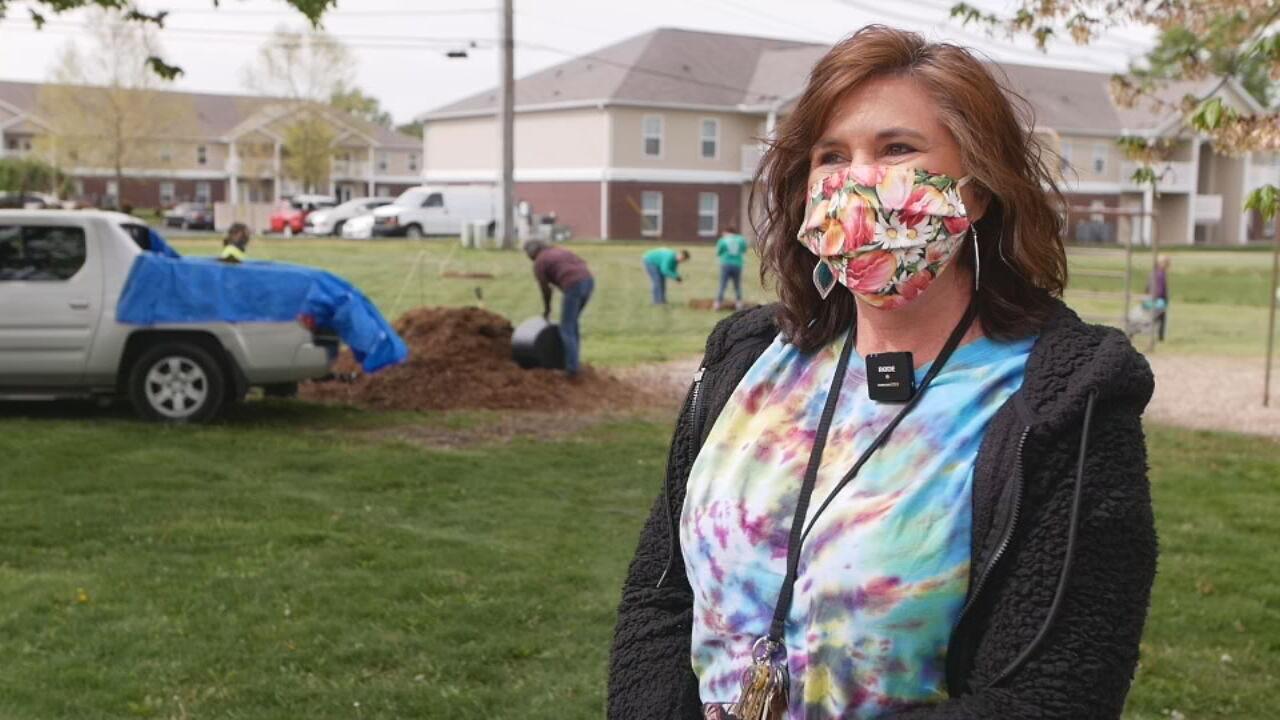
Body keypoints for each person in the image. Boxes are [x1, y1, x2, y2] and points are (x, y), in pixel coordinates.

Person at [609, 25, 1156, 720]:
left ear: (978, 188)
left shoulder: (1065, 400)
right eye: (831, 156)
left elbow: (1056, 693)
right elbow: (659, 592)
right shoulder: (746, 361)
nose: (858, 180)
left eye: (897, 148)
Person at [525, 240, 595, 377]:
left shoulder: (539, 262)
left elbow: (545, 289)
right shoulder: (559, 250)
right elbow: (581, 263)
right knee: (572, 324)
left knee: (566, 327)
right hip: (589, 281)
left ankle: (572, 369)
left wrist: (547, 309)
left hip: (573, 285)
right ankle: (574, 362)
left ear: (532, 252)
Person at [714, 225, 750, 310]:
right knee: (737, 285)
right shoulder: (740, 239)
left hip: (725, 264)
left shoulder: (723, 240)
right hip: (737, 264)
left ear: (726, 232)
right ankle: (739, 304)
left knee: (723, 284)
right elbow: (744, 250)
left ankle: (718, 304)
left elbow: (718, 252)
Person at [1147, 254, 1170, 341]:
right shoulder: (1160, 274)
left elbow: (1147, 287)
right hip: (1158, 299)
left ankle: (1160, 337)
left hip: (1153, 298)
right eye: (1167, 263)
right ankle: (1160, 337)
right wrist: (1163, 300)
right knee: (1157, 318)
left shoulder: (1153, 272)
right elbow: (1161, 289)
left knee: (1159, 318)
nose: (1168, 266)